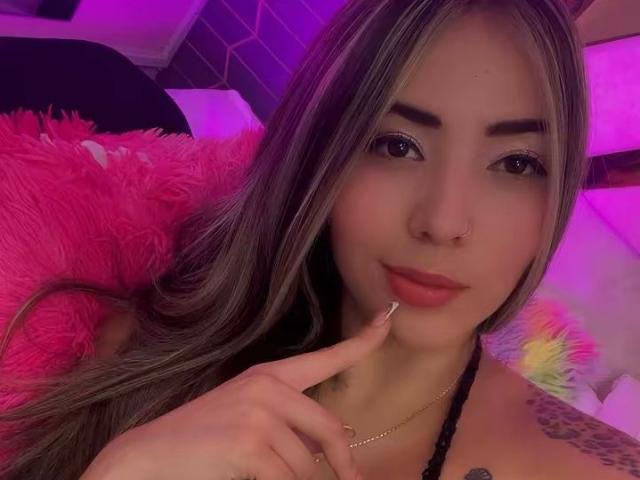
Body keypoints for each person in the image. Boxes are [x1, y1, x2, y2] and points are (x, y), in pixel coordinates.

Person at [1, 0, 639, 479]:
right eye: (396, 145)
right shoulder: (145, 358)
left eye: (517, 163)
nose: (444, 222)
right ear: (320, 157)